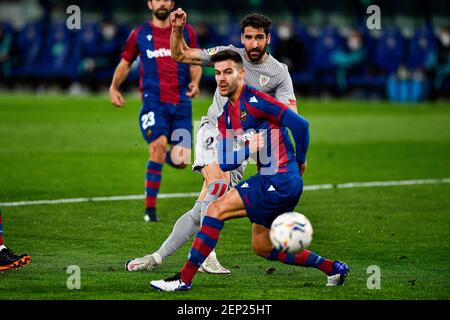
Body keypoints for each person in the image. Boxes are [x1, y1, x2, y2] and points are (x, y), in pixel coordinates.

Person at [150, 50, 349, 292]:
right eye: (218, 73)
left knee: (214, 210)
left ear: (241, 74)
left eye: (228, 72)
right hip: (275, 180)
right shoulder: (225, 118)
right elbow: (224, 162)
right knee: (262, 246)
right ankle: (333, 268)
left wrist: (301, 159)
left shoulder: (257, 101)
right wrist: (247, 150)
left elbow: (301, 125)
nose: (222, 78)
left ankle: (183, 279)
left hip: (280, 177)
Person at [125, 11, 299, 274]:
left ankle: (156, 258)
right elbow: (181, 54)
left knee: (205, 208)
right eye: (249, 37)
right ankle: (207, 253)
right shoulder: (228, 54)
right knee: (218, 185)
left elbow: (290, 115)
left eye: (259, 38)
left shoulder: (278, 72)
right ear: (242, 38)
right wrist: (176, 30)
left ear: (268, 39)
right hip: (213, 130)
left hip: (241, 146)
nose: (253, 44)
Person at [109, 0, 202, 222]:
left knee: (181, 161)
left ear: (171, 3)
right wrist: (114, 87)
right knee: (158, 146)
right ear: (150, 4)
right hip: (153, 102)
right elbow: (125, 63)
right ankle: (150, 210)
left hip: (181, 103)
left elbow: (196, 60)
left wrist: (196, 82)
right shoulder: (138, 34)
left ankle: (160, 156)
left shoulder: (186, 31)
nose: (162, 3)